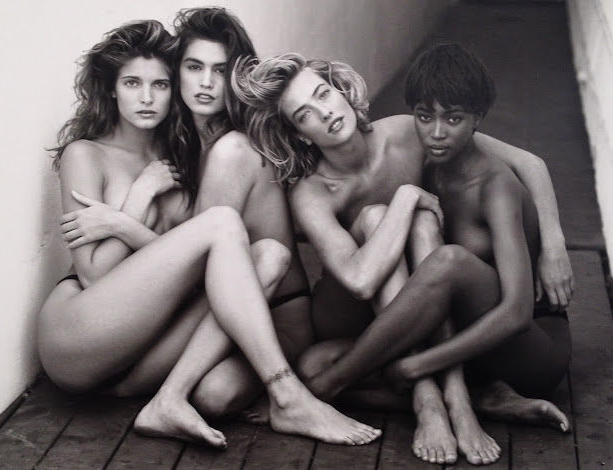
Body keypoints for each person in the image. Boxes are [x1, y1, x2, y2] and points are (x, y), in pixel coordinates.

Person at [38, 20, 381, 449]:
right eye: (131, 83)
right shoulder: (85, 154)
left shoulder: (177, 154)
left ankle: (164, 400)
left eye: (159, 84)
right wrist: (138, 199)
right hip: (79, 332)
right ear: (110, 89)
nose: (147, 97)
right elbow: (95, 275)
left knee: (267, 258)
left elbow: (186, 272)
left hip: (138, 349)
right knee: (227, 228)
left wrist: (125, 224)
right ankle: (288, 395)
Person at [232, 51, 573, 465]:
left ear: (341, 91)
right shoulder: (313, 191)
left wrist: (554, 245)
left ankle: (454, 399)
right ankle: (445, 397)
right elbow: (359, 281)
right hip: (358, 307)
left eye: (323, 94)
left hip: (423, 301)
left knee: (419, 224)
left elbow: (528, 162)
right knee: (379, 221)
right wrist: (406, 197)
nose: (324, 113)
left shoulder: (410, 131)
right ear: (301, 135)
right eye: (305, 115)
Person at [166, 7, 313, 420]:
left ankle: (299, 391)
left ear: (236, 77)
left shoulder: (232, 149)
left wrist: (126, 227)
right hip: (223, 312)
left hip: (277, 316)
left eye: (220, 70)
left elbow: (194, 265)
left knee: (213, 395)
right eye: (194, 67)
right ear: (177, 71)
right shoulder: (188, 144)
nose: (206, 82)